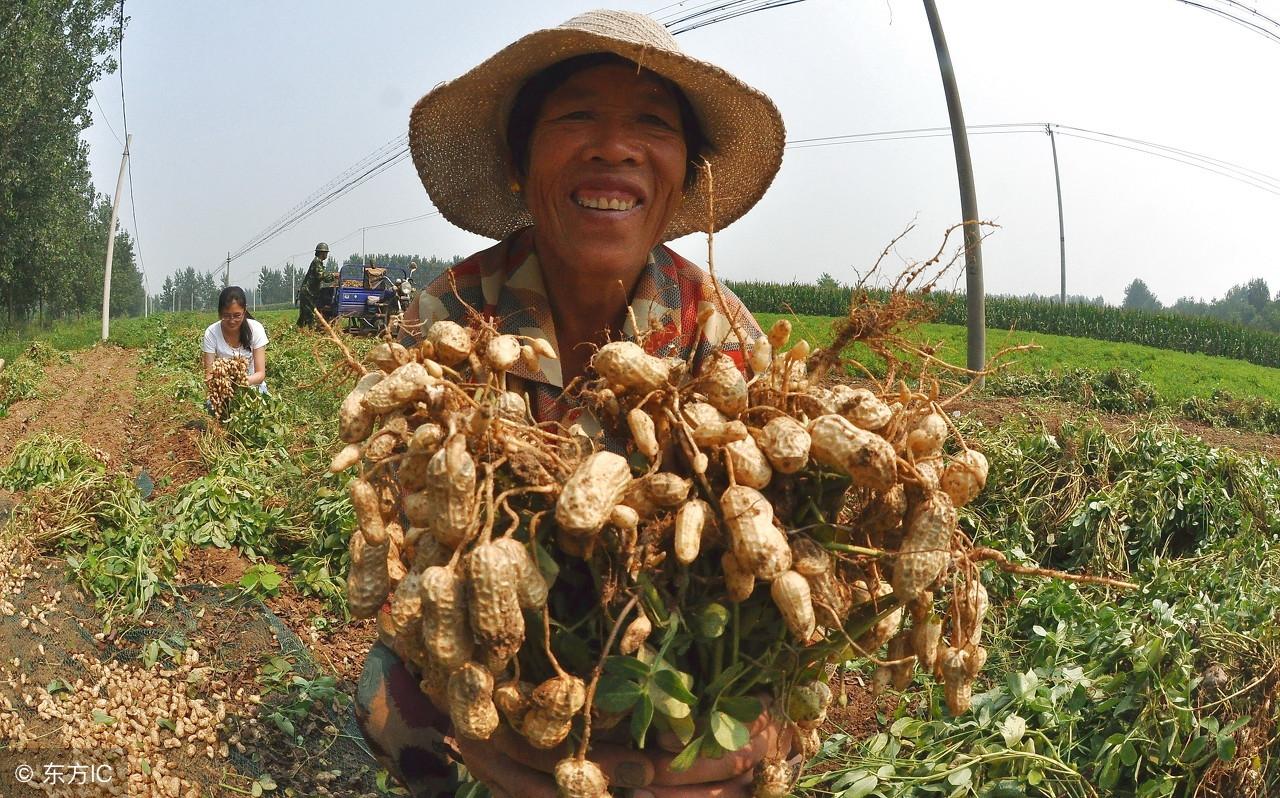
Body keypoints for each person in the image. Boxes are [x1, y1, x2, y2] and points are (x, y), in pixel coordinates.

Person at [356, 9, 788, 797]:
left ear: (685, 174)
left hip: (667, 660)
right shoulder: (450, 316)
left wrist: (752, 730)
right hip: (503, 657)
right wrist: (480, 728)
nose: (615, 146)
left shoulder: (718, 331)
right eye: (578, 115)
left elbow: (776, 556)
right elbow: (396, 548)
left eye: (652, 124)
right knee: (385, 695)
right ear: (521, 164)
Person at [203, 286, 268, 393]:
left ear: (244, 311)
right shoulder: (211, 333)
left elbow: (260, 374)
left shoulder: (256, 329)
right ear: (219, 313)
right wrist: (224, 385)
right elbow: (209, 375)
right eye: (226, 316)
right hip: (224, 389)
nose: (232, 321)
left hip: (253, 387)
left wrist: (239, 382)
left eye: (237, 315)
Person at [298, 241, 328, 328]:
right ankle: (312, 333)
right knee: (310, 315)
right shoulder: (317, 262)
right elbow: (320, 276)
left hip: (307, 292)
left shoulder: (317, 262)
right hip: (308, 293)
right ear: (322, 253)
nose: (326, 255)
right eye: (326, 253)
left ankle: (299, 331)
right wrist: (333, 276)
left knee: (303, 316)